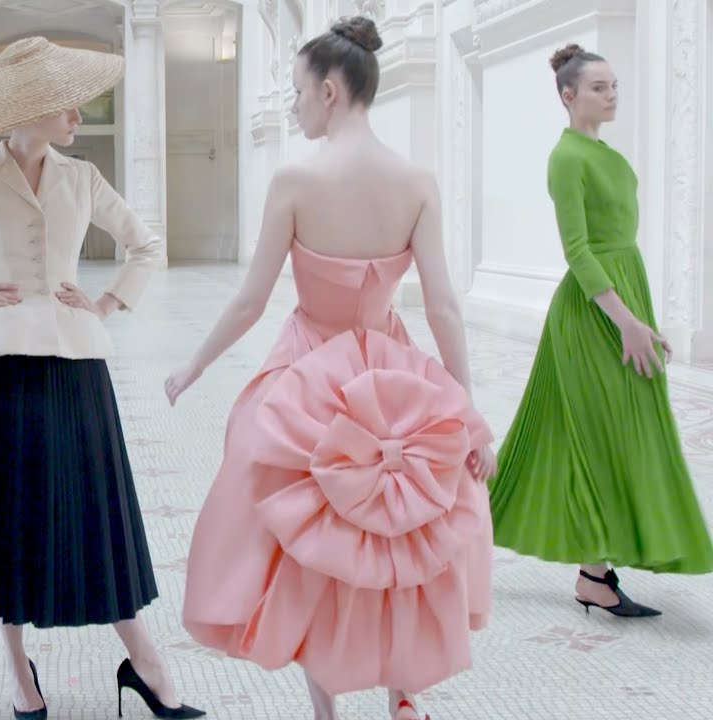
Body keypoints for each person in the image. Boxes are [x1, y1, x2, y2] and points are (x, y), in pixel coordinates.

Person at [165, 18, 494, 720]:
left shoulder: (295, 180)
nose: (293, 107)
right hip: (393, 377)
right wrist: (465, 417)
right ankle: (403, 694)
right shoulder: (417, 183)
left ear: (330, 91)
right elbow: (443, 307)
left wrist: (194, 364)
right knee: (398, 528)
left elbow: (252, 300)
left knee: (309, 541)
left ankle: (326, 711)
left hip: (309, 374)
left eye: (297, 92)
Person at [0, 36, 205, 720]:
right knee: (4, 518)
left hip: (75, 364)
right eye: (67, 105)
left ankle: (146, 662)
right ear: (30, 108)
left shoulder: (82, 177)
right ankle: (18, 675)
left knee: (94, 515)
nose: (77, 117)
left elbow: (145, 244)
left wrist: (108, 302)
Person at [487, 43, 713, 616]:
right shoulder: (566, 158)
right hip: (592, 314)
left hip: (622, 296)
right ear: (568, 96)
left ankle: (594, 573)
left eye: (614, 86)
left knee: (617, 432)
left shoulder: (603, 152)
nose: (611, 95)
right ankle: (590, 573)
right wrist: (629, 323)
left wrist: (640, 318)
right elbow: (578, 251)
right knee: (603, 436)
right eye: (598, 87)